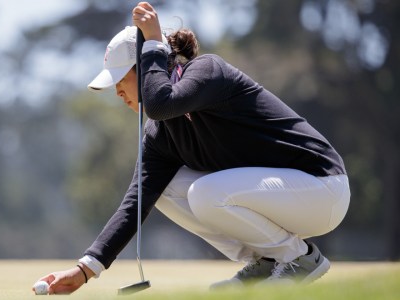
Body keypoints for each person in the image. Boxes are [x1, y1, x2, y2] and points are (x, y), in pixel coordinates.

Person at [33, 2, 350, 294]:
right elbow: (135, 203)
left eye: (121, 78)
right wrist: (85, 269)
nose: (116, 90)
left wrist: (154, 41)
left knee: (205, 193)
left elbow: (159, 103)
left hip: (323, 188)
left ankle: (300, 258)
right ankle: (268, 261)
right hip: (286, 199)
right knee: (161, 191)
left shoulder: (208, 71)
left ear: (147, 66)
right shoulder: (160, 135)